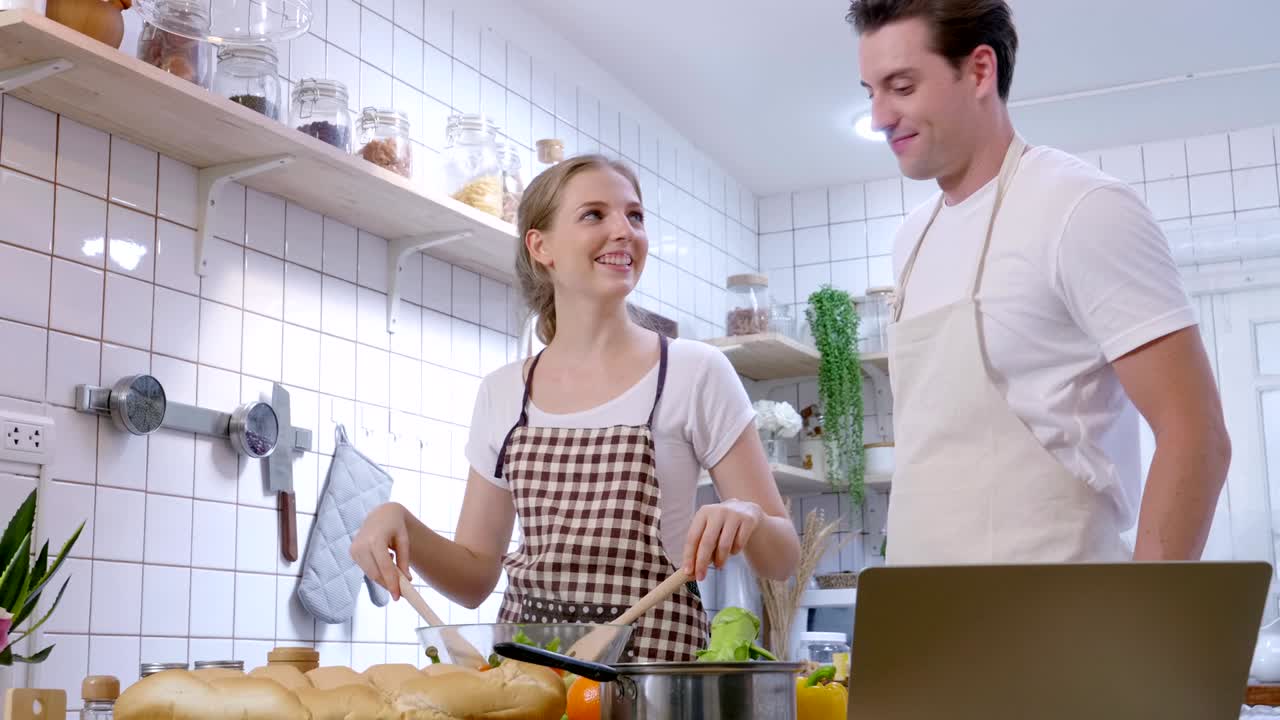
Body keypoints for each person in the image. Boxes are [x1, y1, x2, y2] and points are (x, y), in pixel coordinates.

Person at [351, 154, 801, 662]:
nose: (624, 231)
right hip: (531, 680)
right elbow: (475, 577)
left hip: (652, 684)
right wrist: (400, 522)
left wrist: (750, 517)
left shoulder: (695, 372)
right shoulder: (504, 392)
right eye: (594, 215)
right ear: (540, 245)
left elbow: (782, 559)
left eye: (634, 216)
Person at [847, 0, 1231, 563]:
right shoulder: (912, 240)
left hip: (1063, 624)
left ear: (980, 70)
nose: (880, 116)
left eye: (901, 87)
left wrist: (1145, 626)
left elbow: (1195, 434)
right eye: (870, 91)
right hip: (934, 620)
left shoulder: (1081, 208)